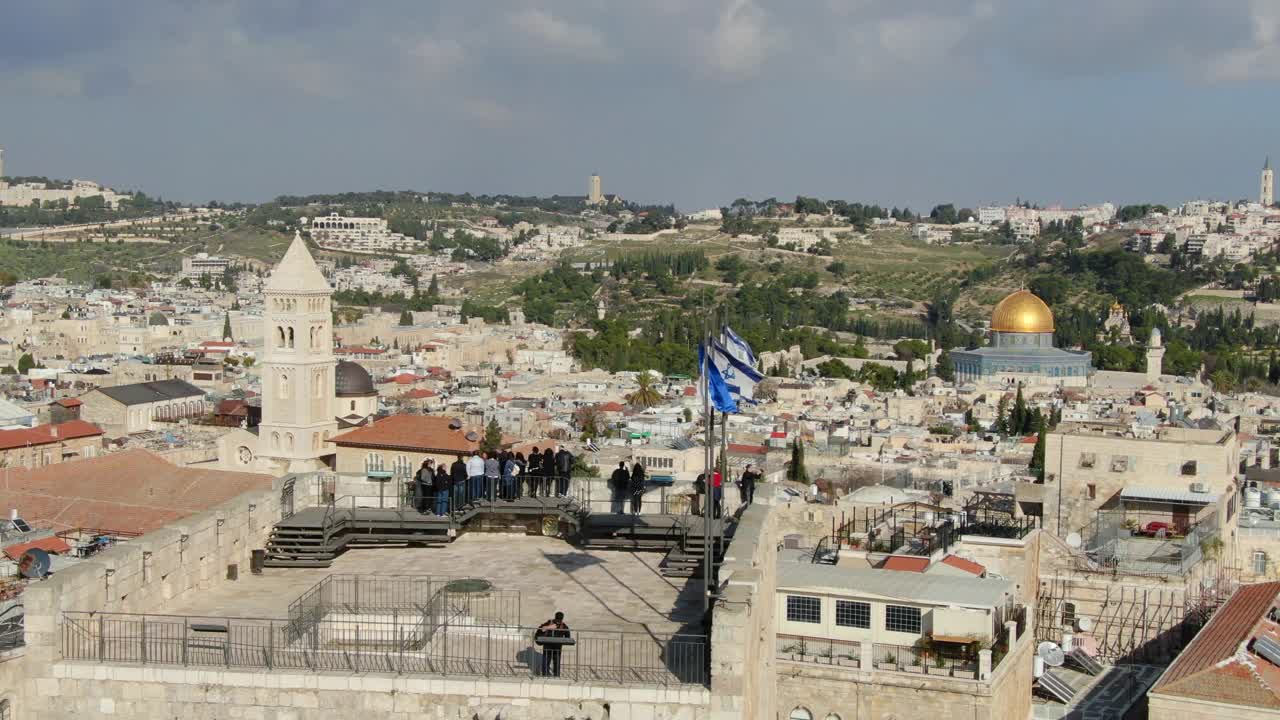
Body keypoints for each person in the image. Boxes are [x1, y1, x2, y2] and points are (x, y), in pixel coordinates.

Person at [536, 611, 570, 677]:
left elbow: (568, 637)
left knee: (557, 661)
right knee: (546, 660)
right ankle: (545, 675)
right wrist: (549, 627)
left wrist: (564, 640)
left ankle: (556, 675)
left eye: (559, 620)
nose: (558, 622)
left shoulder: (564, 626)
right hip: (547, 645)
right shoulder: (549, 622)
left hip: (557, 646)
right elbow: (540, 629)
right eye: (557, 620)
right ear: (555, 618)